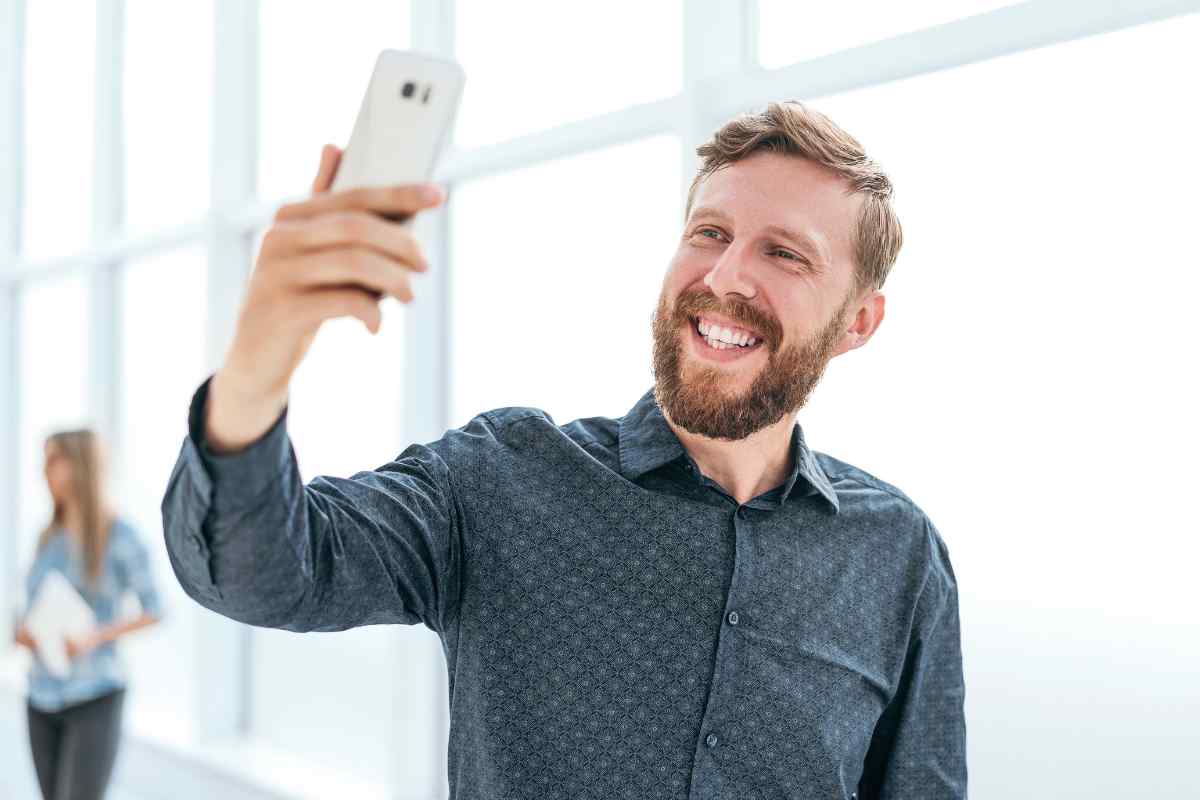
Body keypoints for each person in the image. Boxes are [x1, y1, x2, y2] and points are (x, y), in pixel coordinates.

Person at [161, 100, 966, 798]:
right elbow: (262, 574)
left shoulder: (899, 556)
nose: (724, 275)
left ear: (858, 322)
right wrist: (259, 360)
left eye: (783, 253)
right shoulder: (504, 478)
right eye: (709, 232)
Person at [13, 428, 165, 800]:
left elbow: (154, 609)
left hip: (95, 693)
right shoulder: (48, 536)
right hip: (41, 694)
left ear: (79, 467)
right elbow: (31, 605)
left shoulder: (120, 536)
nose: (44, 470)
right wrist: (23, 631)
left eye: (53, 461)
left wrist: (94, 637)